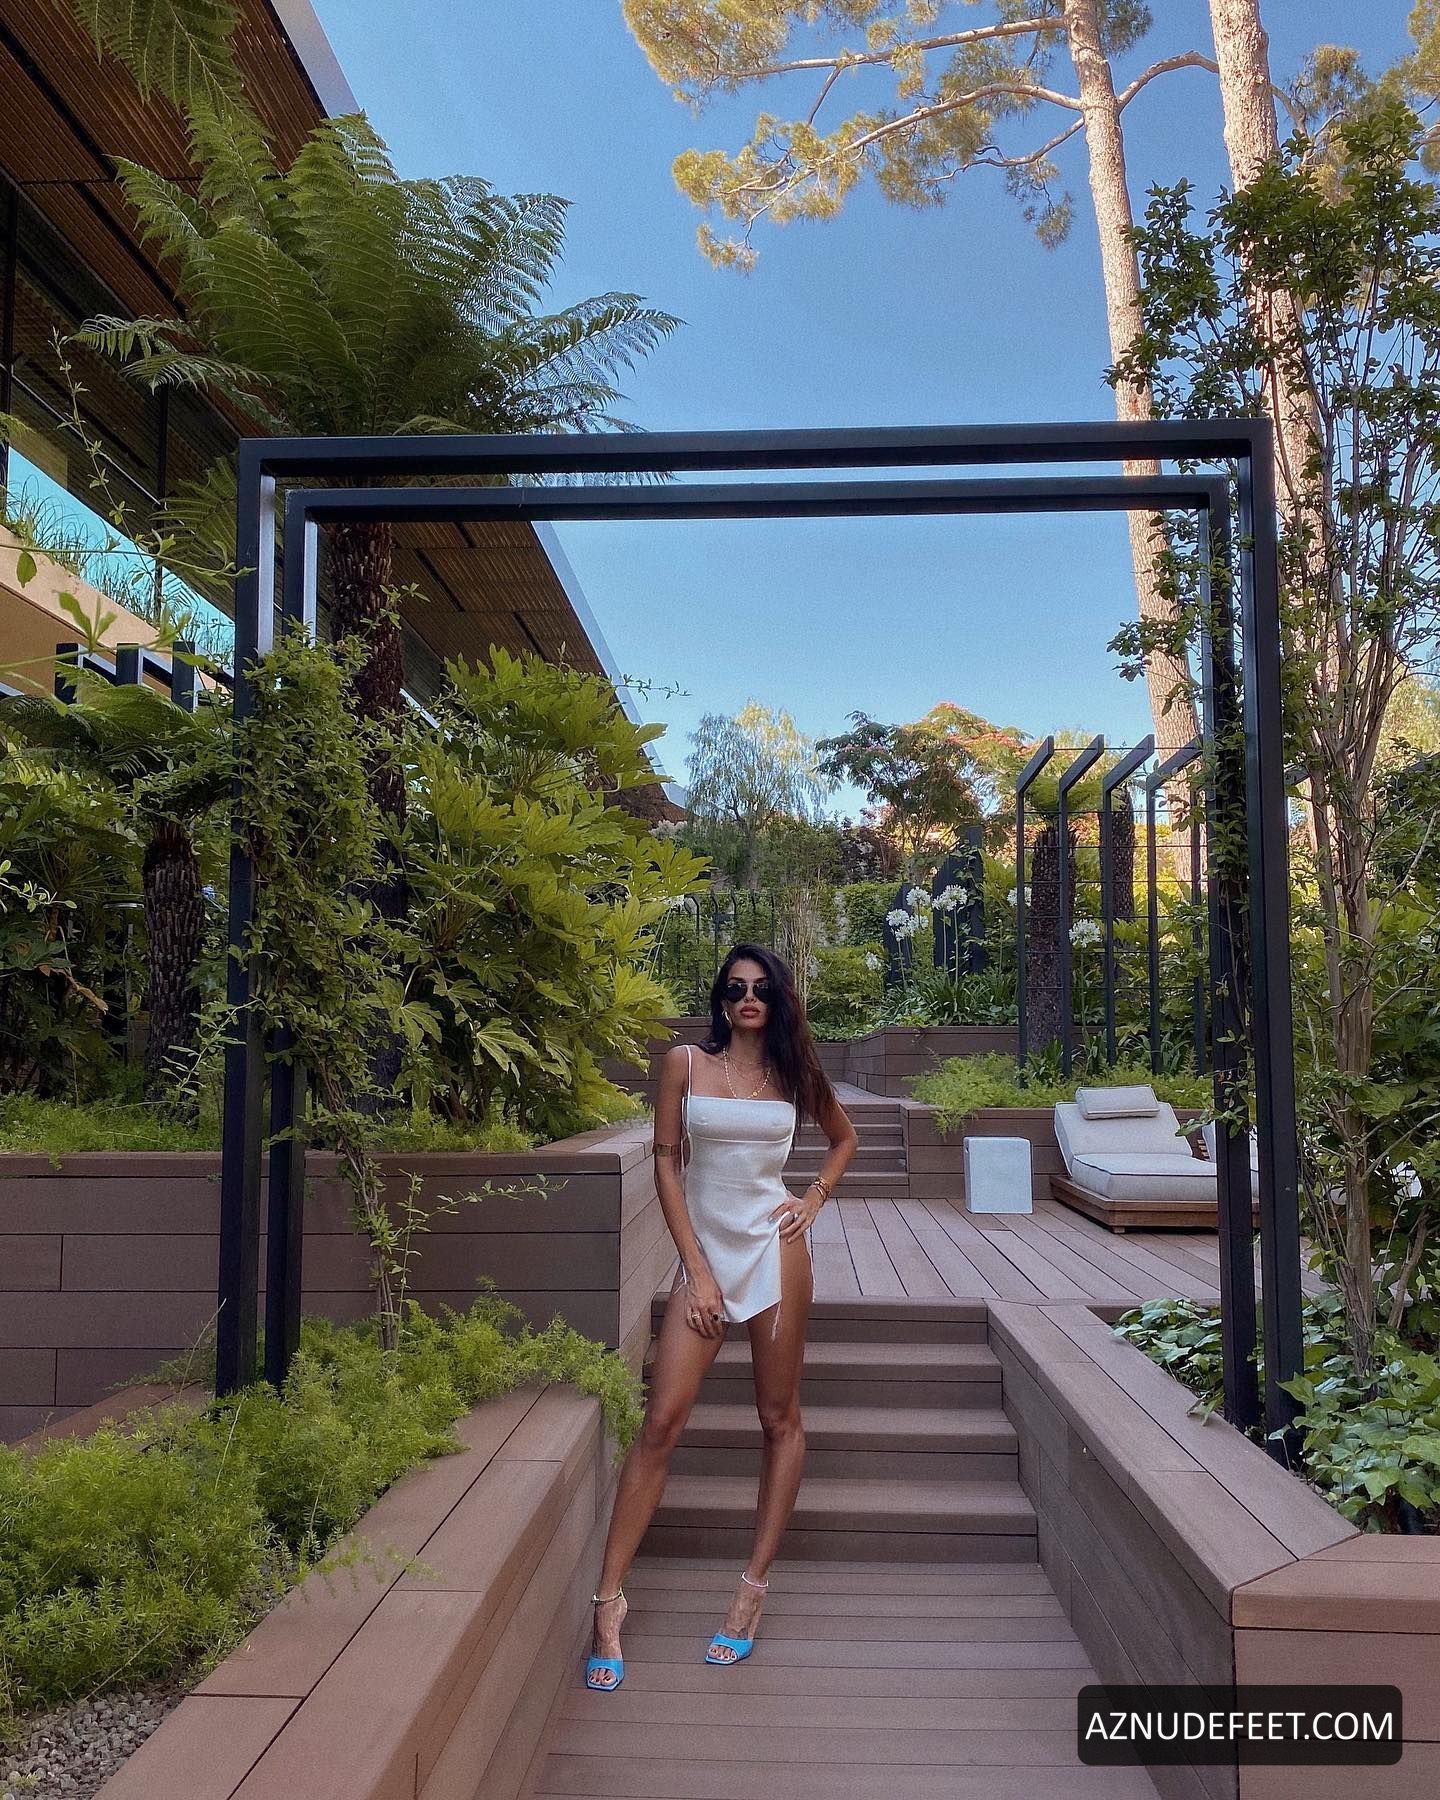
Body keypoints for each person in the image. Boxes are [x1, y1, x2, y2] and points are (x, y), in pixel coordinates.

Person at [584, 942, 858, 1690]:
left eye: (761, 988)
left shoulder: (795, 1072)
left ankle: (750, 1593)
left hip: (776, 1251)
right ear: (720, 997)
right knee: (661, 1423)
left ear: (778, 997)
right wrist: (696, 1271)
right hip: (705, 1255)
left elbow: (844, 1139)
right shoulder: (684, 1064)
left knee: (779, 1418)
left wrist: (813, 1198)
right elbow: (665, 1164)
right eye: (735, 988)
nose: (748, 999)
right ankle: (608, 1603)